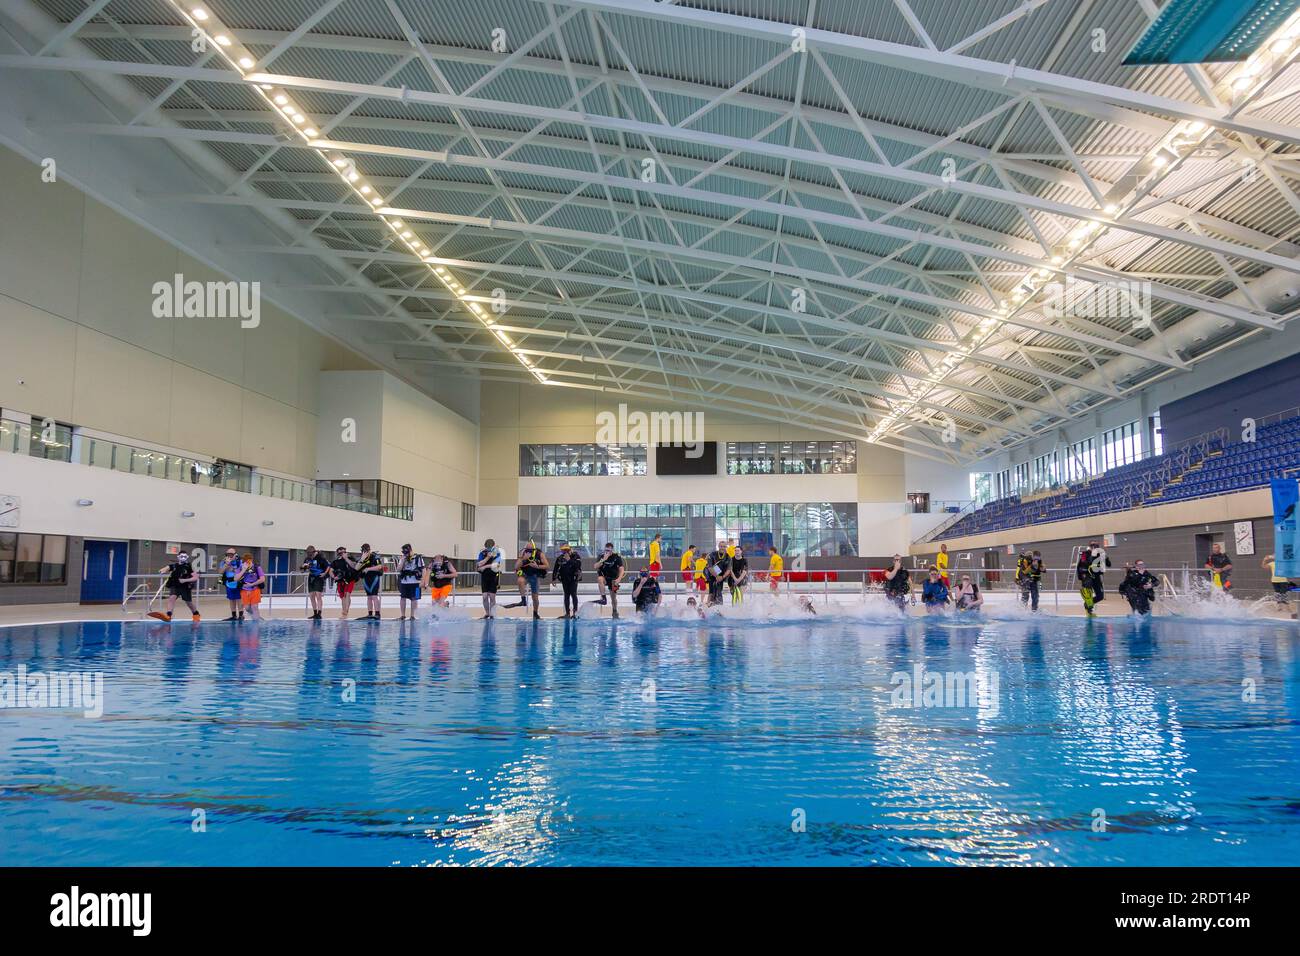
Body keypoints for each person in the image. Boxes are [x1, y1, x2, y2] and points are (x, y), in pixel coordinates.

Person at [149, 551, 201, 622]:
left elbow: (196, 577)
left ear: (187, 557)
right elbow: (166, 568)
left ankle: (196, 614)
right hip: (175, 586)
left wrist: (185, 580)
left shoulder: (189, 566)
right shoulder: (174, 566)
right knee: (171, 598)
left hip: (185, 587)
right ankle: (169, 615)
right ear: (178, 557)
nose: (183, 558)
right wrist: (162, 571)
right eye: (181, 556)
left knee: (189, 603)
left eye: (185, 557)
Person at [505, 540, 545, 611]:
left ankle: (535, 613)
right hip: (525, 576)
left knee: (535, 597)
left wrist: (537, 566)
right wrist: (523, 558)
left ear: (534, 549)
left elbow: (547, 566)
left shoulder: (539, 554)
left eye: (531, 550)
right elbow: (516, 567)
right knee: (520, 580)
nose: (529, 552)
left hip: (535, 576)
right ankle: (523, 600)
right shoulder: (523, 554)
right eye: (527, 550)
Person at [396, 544, 427, 620]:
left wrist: (423, 581)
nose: (405, 554)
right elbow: (398, 569)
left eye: (407, 552)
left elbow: (423, 569)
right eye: (404, 552)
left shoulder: (418, 558)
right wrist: (403, 560)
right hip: (404, 582)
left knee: (414, 598)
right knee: (402, 598)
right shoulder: (403, 558)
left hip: (416, 582)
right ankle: (403, 615)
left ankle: (412, 616)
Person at [595, 542, 626, 618]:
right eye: (606, 550)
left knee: (613, 598)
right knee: (599, 579)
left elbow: (622, 569)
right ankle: (603, 597)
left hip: (613, 580)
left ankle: (614, 611)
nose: (607, 552)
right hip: (605, 578)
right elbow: (595, 566)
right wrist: (603, 560)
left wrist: (619, 579)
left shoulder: (616, 557)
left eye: (609, 550)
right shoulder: (601, 556)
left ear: (612, 550)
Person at [552, 543, 583, 619]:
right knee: (566, 595)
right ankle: (567, 613)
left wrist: (569, 559)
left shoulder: (576, 556)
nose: (565, 552)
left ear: (570, 550)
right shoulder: (560, 558)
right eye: (563, 551)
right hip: (564, 579)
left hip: (573, 579)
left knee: (573, 594)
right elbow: (555, 568)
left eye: (567, 550)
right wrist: (553, 579)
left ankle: (575, 613)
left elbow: (578, 565)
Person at [328, 546, 359, 619]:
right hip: (340, 580)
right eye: (341, 552)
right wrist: (333, 577)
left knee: (347, 595)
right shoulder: (335, 562)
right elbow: (330, 571)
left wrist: (346, 558)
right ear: (338, 553)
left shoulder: (350, 558)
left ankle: (345, 612)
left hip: (350, 579)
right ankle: (344, 610)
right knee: (343, 597)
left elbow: (354, 566)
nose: (343, 554)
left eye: (344, 552)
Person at [355, 544, 385, 620]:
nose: (365, 552)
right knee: (369, 597)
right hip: (366, 579)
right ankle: (370, 613)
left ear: (369, 550)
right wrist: (362, 559)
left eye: (366, 551)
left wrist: (368, 569)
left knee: (374, 596)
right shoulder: (362, 558)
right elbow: (356, 568)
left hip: (374, 578)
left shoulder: (374, 557)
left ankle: (377, 613)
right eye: (364, 551)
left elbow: (379, 567)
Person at [301, 545, 330, 620]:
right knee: (311, 596)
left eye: (310, 553)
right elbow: (302, 570)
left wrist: (324, 573)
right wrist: (304, 567)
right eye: (308, 553)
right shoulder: (307, 559)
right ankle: (315, 613)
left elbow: (328, 566)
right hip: (311, 577)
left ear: (313, 552)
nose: (309, 555)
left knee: (318, 595)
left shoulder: (320, 557)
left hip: (318, 577)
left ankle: (319, 613)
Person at [476, 538, 503, 619]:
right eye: (487, 547)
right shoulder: (482, 553)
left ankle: (492, 614)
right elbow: (479, 564)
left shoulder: (497, 553)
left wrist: (485, 566)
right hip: (485, 576)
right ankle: (487, 613)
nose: (488, 549)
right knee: (484, 597)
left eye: (490, 547)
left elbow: (496, 565)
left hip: (494, 576)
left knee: (492, 596)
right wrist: (487, 558)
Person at [238, 552, 266, 621]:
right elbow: (236, 578)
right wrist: (243, 570)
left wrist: (252, 584)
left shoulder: (257, 567)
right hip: (244, 590)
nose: (248, 562)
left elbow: (262, 579)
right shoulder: (241, 568)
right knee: (247, 608)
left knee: (255, 607)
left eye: (249, 560)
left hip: (255, 589)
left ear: (251, 560)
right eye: (246, 561)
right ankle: (257, 617)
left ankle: (256, 622)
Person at [219, 547, 243, 621]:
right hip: (229, 583)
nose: (229, 556)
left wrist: (233, 567)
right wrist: (226, 564)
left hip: (238, 583)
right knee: (231, 599)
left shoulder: (239, 561)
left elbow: (243, 570)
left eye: (231, 554)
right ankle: (234, 615)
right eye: (228, 554)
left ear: (235, 554)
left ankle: (241, 616)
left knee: (239, 599)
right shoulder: (223, 562)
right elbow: (220, 572)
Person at [704, 540, 731, 606]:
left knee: (719, 590)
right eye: (721, 546)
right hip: (710, 573)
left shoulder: (728, 557)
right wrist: (716, 576)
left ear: (726, 547)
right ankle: (708, 605)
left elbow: (728, 570)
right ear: (718, 546)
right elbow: (710, 568)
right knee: (711, 591)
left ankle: (719, 605)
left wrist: (722, 577)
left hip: (721, 576)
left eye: (724, 546)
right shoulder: (712, 555)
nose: (722, 548)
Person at [1076, 543, 1098, 616]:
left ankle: (1089, 610)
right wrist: (1080, 576)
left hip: (1089, 575)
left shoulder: (1095, 555)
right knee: (1087, 592)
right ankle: (1089, 610)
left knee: (1089, 593)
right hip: (1085, 575)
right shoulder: (1085, 554)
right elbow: (1082, 564)